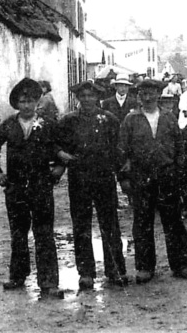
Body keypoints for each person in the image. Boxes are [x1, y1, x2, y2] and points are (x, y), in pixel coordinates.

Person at [0, 78, 65, 298]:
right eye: (22, 101)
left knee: (44, 233)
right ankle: (18, 276)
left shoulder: (47, 124)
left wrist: (59, 168)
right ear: (16, 104)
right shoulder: (9, 124)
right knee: (19, 233)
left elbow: (60, 147)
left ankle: (48, 282)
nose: (27, 105)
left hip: (41, 185)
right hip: (16, 187)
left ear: (37, 102)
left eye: (31, 100)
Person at [118, 79, 187, 284]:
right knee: (142, 222)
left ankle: (181, 264)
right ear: (139, 96)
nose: (148, 97)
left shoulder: (169, 118)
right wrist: (124, 178)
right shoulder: (131, 120)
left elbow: (179, 148)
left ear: (158, 95)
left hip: (167, 175)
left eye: (152, 93)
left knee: (174, 222)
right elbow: (122, 151)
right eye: (144, 94)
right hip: (141, 178)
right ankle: (145, 267)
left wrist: (178, 174)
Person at [55, 80, 128, 289]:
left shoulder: (109, 120)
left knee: (110, 224)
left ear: (97, 98)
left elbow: (118, 148)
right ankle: (85, 272)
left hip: (104, 178)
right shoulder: (68, 121)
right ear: (78, 98)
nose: (87, 99)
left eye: (91, 96)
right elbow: (56, 144)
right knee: (81, 225)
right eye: (83, 96)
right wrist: (61, 155)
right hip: (79, 178)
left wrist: (121, 175)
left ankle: (115, 270)